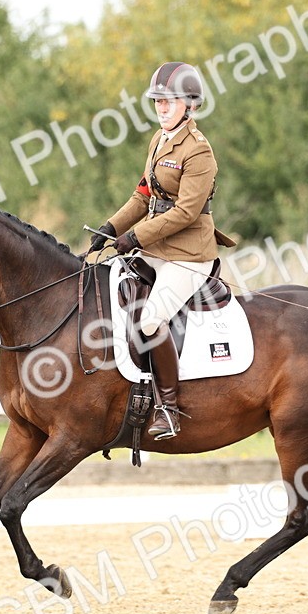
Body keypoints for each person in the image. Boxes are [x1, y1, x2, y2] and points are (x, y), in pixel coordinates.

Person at [88, 61, 235, 440]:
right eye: (158, 102)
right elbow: (142, 196)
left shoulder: (199, 153)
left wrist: (136, 238)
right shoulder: (158, 140)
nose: (162, 108)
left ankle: (168, 408)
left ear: (190, 104)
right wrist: (111, 227)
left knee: (152, 319)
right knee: (111, 290)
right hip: (156, 247)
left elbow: (186, 213)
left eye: (169, 102)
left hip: (188, 256)